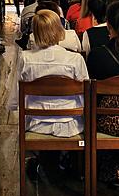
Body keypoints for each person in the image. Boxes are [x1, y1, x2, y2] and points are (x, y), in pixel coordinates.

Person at [7, 9, 89, 137]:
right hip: (70, 124)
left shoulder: (26, 58)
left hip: (36, 123)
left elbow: (15, 95)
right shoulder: (75, 59)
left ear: (35, 33)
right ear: (59, 30)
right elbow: (85, 94)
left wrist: (13, 106)